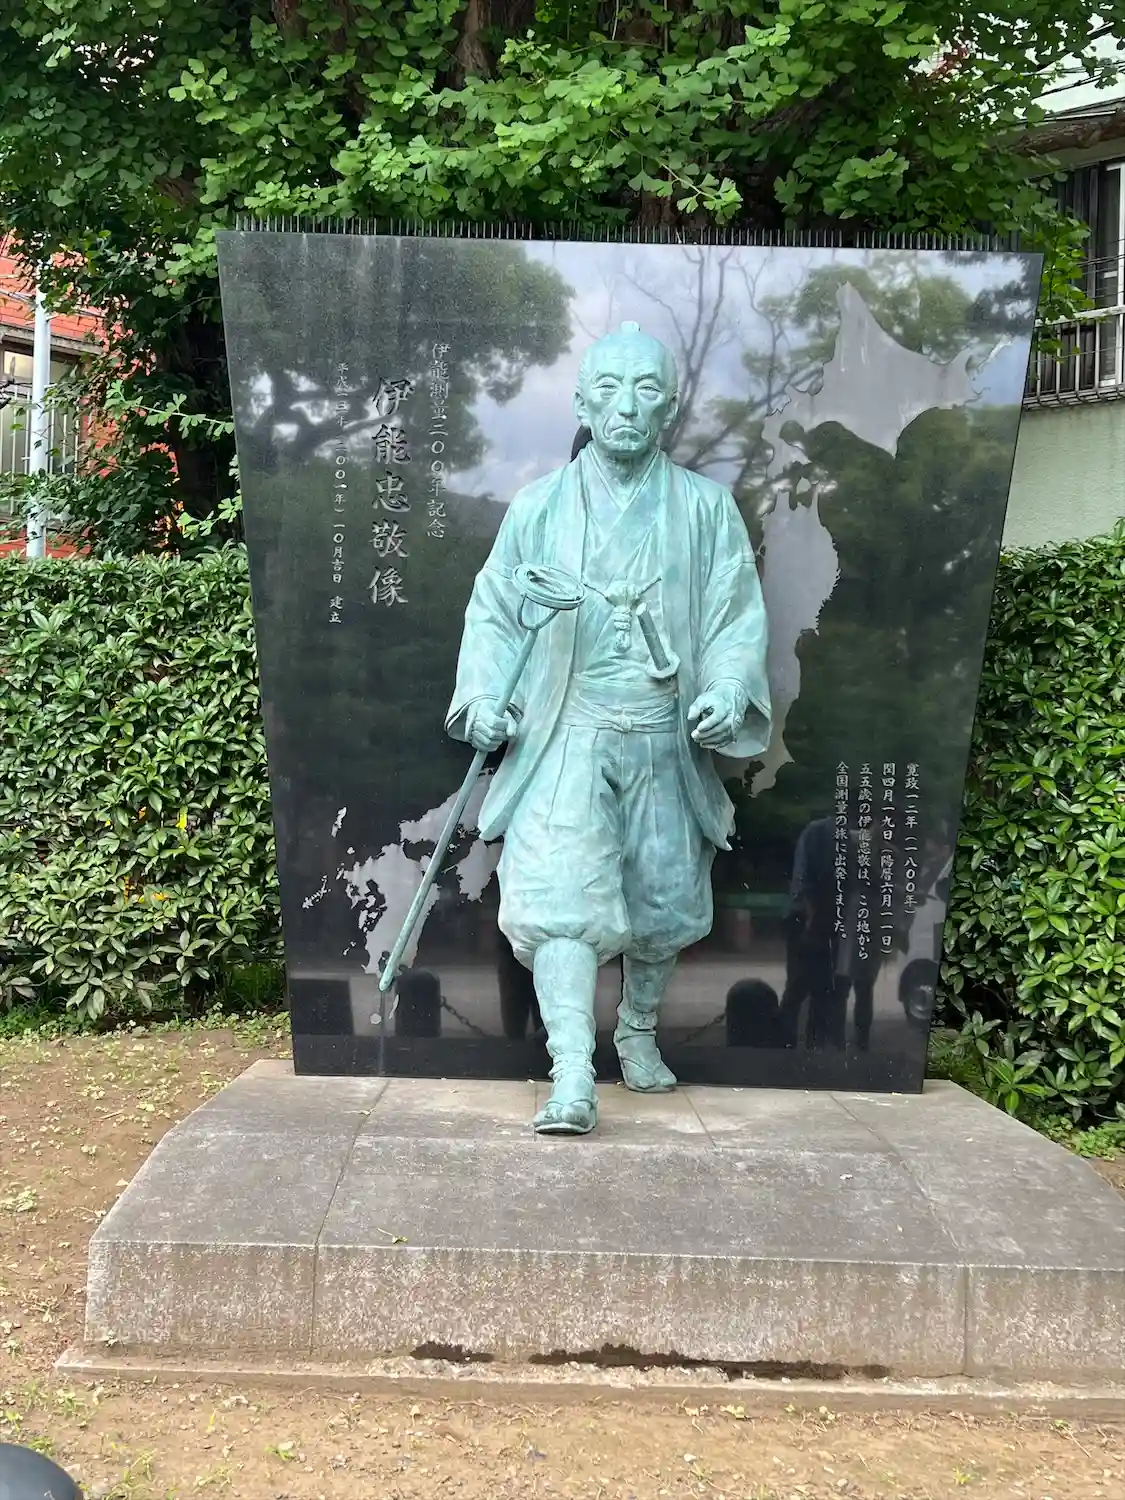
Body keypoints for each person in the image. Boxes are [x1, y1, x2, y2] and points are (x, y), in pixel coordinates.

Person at [447, 323, 771, 1134]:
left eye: (645, 389)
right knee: (560, 897)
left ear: (669, 406)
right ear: (582, 403)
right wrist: (482, 698)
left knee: (660, 901)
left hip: (663, 733)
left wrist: (728, 689)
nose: (626, 406)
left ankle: (636, 1030)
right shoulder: (540, 506)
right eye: (610, 389)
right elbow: (494, 611)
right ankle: (570, 1070)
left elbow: (734, 617)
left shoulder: (704, 508)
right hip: (565, 732)